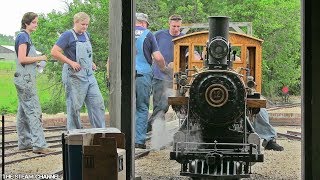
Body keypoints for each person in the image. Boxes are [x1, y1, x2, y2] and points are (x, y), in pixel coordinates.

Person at [51, 12, 106, 130]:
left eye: (87, 25)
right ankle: (74, 135)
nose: (85, 27)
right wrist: (71, 62)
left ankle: (100, 133)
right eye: (83, 24)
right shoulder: (67, 35)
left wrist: (90, 62)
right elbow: (54, 52)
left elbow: (86, 54)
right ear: (76, 22)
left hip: (89, 76)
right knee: (74, 107)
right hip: (74, 76)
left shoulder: (87, 35)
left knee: (97, 103)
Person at [13, 12, 51, 154]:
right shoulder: (23, 36)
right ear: (26, 23)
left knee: (23, 112)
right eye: (34, 22)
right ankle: (39, 144)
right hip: (25, 79)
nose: (36, 25)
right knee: (34, 111)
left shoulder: (23, 36)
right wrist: (40, 57)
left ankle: (24, 142)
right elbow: (22, 59)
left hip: (22, 77)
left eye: (36, 22)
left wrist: (36, 61)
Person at [134, 13, 170, 149]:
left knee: (127, 107)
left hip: (125, 76)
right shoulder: (148, 34)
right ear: (144, 23)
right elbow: (158, 57)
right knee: (142, 107)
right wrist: (164, 69)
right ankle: (139, 141)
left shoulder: (124, 32)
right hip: (142, 74)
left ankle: (125, 138)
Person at [148, 14, 185, 131]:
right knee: (160, 106)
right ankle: (156, 133)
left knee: (181, 107)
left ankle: (148, 129)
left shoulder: (184, 38)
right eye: (174, 26)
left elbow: (191, 54)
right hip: (159, 76)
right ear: (169, 24)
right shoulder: (159, 35)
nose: (176, 29)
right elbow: (149, 50)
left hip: (177, 78)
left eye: (178, 26)